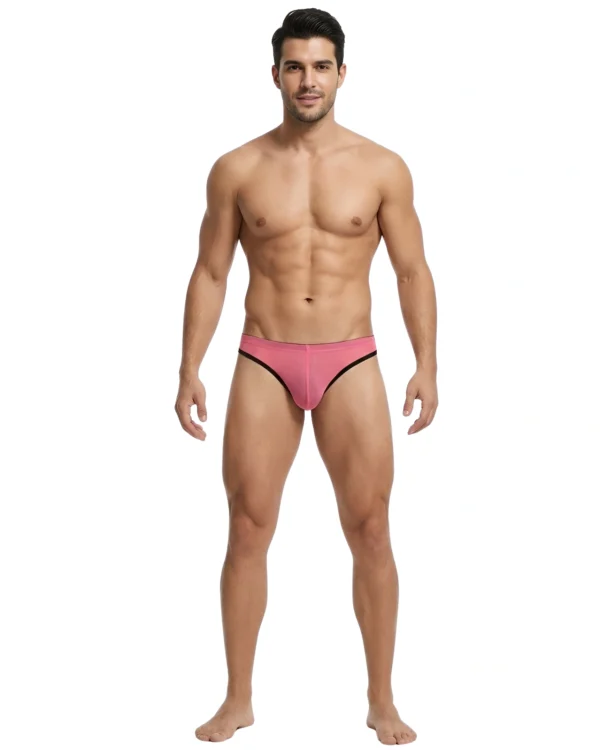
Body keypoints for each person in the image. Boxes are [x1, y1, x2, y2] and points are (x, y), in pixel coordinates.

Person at [175, 7, 438, 745]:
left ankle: (381, 700)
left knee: (372, 528)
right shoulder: (238, 168)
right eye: (295, 66)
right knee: (247, 526)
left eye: (322, 66)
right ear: (275, 75)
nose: (309, 79)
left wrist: (427, 363)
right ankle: (237, 698)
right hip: (265, 356)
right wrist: (189, 366)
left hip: (350, 357)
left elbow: (413, 270)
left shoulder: (383, 167)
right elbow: (210, 271)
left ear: (342, 73)